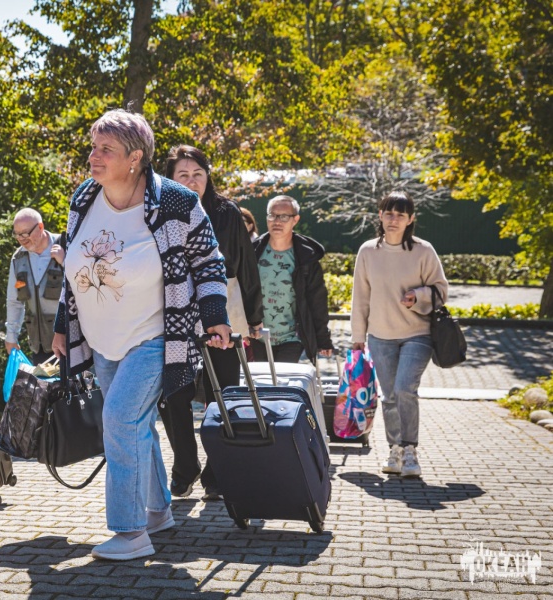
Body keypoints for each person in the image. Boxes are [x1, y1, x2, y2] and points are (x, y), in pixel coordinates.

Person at [51, 109, 232, 561]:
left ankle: (130, 533)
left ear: (135, 157)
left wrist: (215, 315)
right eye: (93, 147)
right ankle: (158, 510)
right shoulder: (84, 197)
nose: (93, 156)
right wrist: (62, 325)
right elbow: (75, 263)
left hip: (158, 335)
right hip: (102, 337)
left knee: (120, 419)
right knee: (136, 425)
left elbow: (208, 261)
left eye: (105, 149)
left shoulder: (175, 201)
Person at [161, 144, 263, 502]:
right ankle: (184, 468)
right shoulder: (157, 211)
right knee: (174, 395)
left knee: (224, 394)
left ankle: (216, 472)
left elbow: (246, 266)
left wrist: (254, 318)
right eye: (183, 175)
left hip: (223, 312)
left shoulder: (226, 212)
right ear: (169, 179)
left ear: (208, 176)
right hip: (174, 312)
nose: (192, 181)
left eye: (198, 174)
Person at [351, 191, 448, 478]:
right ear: (380, 216)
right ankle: (394, 449)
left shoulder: (423, 251)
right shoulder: (368, 251)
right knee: (390, 396)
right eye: (389, 213)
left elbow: (441, 289)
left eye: (400, 215)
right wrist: (358, 336)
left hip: (417, 334)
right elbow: (360, 296)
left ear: (410, 219)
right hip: (380, 336)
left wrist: (418, 296)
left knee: (405, 388)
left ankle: (410, 450)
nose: (394, 219)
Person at [249, 195, 334, 363]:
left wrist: (323, 339)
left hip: (292, 338)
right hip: (256, 336)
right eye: (272, 215)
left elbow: (317, 300)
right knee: (260, 380)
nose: (277, 221)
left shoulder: (306, 257)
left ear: (295, 220)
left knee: (283, 379)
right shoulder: (253, 252)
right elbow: (243, 291)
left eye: (284, 217)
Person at [5, 208, 65, 365]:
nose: (21, 239)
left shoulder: (66, 247)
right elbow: (14, 301)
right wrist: (11, 337)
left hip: (69, 343)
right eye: (17, 234)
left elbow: (85, 284)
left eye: (25, 233)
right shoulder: (18, 259)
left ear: (40, 227)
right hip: (40, 347)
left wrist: (65, 262)